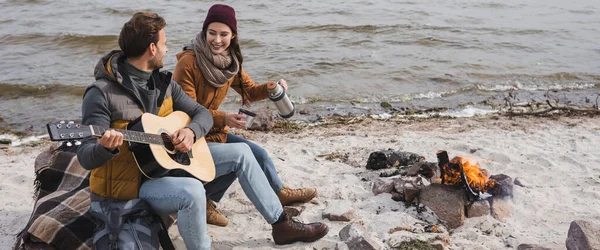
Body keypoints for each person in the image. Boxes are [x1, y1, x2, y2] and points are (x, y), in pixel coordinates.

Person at [77, 12, 329, 250]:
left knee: (241, 151)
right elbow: (86, 156)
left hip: (165, 167)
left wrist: (191, 132)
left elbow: (202, 114)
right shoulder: (101, 94)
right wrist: (105, 147)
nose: (167, 49)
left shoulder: (163, 84)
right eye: (164, 43)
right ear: (152, 49)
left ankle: (281, 225)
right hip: (132, 186)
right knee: (192, 191)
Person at [173, 4, 316, 227]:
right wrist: (224, 119)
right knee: (238, 155)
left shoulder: (230, 62)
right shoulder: (188, 62)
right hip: (191, 134)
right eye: (212, 33)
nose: (217, 40)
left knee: (259, 153)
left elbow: (249, 91)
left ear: (233, 35)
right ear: (204, 32)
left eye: (223, 34)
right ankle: (205, 201)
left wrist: (272, 87)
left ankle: (279, 192)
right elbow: (187, 110)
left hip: (215, 132)